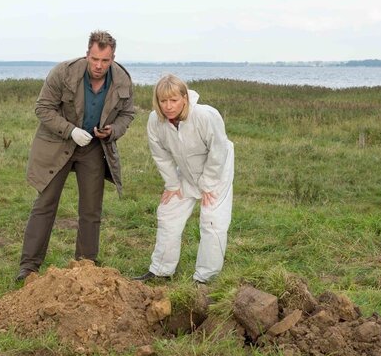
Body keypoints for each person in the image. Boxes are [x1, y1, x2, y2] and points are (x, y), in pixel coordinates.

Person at [16, 30, 135, 282]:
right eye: (94, 59)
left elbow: (127, 115)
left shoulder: (123, 80)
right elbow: (43, 108)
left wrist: (112, 130)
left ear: (113, 58)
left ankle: (86, 267)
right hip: (58, 144)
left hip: (93, 147)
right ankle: (28, 267)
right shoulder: (63, 72)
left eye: (105, 61)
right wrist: (70, 130)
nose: (99, 66)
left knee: (91, 210)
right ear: (87, 54)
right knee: (45, 204)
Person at [135, 74, 234, 284]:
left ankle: (205, 278)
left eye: (174, 100)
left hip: (217, 170)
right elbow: (160, 154)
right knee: (168, 212)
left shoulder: (206, 116)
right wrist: (172, 183)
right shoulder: (155, 121)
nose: (168, 106)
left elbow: (218, 150)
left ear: (185, 98)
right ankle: (161, 270)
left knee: (212, 220)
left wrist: (208, 184)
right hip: (186, 171)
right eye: (163, 101)